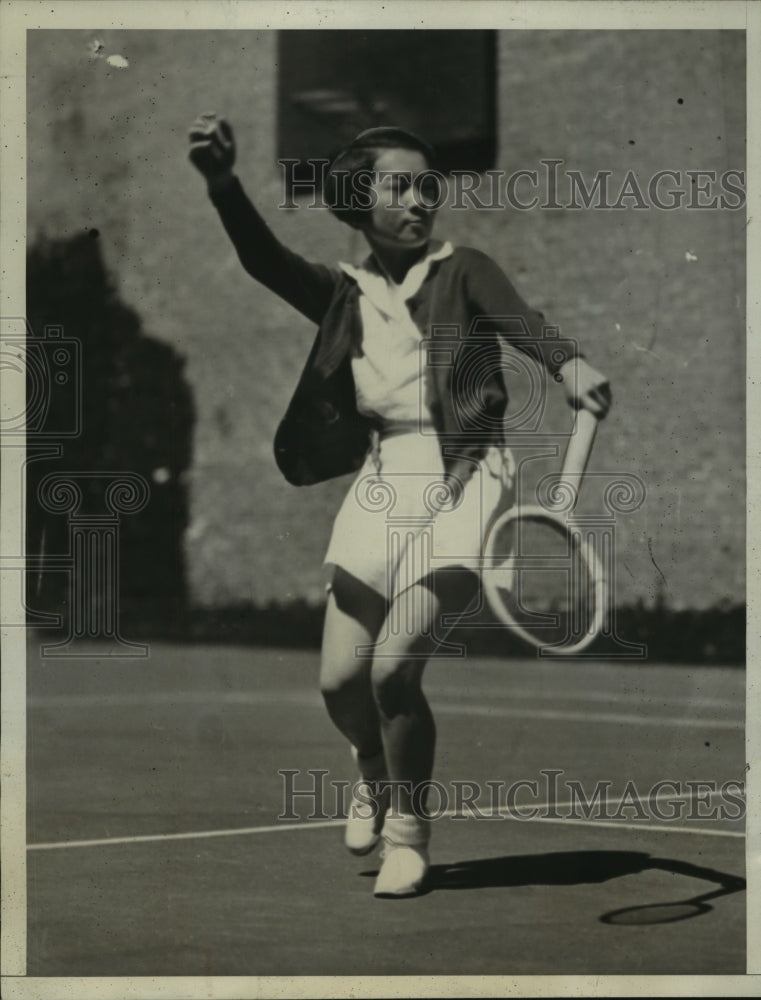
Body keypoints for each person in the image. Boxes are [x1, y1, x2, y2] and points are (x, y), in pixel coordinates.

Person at [188, 114, 612, 897]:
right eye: (400, 185)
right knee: (338, 685)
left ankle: (409, 835)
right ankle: (371, 768)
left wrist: (571, 364)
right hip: (383, 480)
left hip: (468, 474)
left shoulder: (463, 269)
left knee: (391, 672)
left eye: (428, 185)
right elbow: (261, 260)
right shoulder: (343, 294)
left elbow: (523, 324)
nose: (420, 199)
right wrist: (222, 183)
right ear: (358, 198)